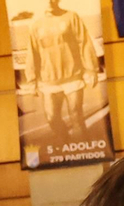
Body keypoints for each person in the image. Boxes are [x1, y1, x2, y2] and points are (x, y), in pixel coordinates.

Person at [24, 0, 97, 141]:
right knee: (52, 117)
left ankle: (82, 149)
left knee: (76, 115)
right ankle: (66, 142)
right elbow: (32, 53)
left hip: (72, 76)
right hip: (49, 80)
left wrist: (91, 69)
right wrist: (32, 79)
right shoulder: (36, 24)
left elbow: (84, 43)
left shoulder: (71, 17)